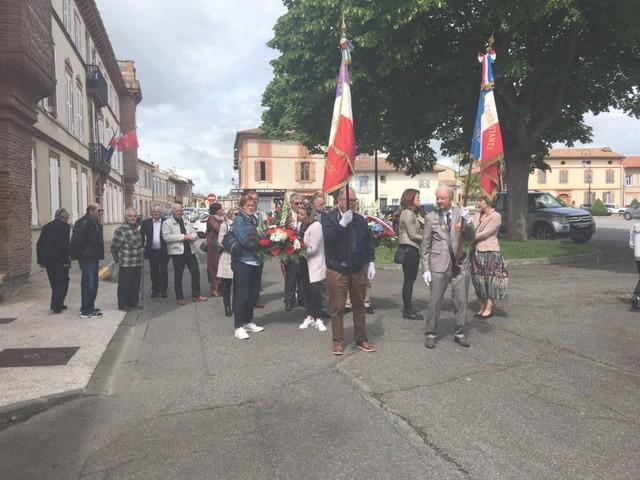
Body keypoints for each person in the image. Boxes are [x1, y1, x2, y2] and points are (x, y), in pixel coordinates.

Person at [323, 187, 376, 355]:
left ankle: (361, 338)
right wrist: (341, 224)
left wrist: (371, 261)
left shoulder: (360, 219)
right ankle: (338, 341)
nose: (352, 203)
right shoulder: (329, 218)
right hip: (337, 268)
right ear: (340, 200)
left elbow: (368, 242)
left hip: (357, 268)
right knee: (337, 307)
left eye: (354, 200)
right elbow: (327, 240)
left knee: (359, 305)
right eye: (349, 200)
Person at [422, 185, 475, 349]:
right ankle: (431, 333)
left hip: (460, 263)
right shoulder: (431, 217)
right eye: (437, 198)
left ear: (450, 198)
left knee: (461, 300)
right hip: (439, 264)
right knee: (435, 300)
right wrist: (426, 269)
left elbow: (471, 238)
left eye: (442, 198)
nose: (439, 201)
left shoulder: (461, 214)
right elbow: (425, 245)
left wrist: (469, 221)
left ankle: (460, 333)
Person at [231, 195, 265, 339]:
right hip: (242, 262)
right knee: (242, 294)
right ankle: (238, 326)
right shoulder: (240, 220)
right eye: (248, 205)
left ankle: (248, 321)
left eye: (253, 205)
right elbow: (245, 241)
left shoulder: (253, 219)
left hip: (254, 261)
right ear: (242, 207)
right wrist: (263, 241)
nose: (251, 207)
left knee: (252, 294)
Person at [162, 203, 207, 305]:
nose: (179, 212)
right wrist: (183, 237)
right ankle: (180, 297)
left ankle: (196, 295)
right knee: (179, 275)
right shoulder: (167, 223)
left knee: (196, 272)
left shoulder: (186, 221)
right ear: (173, 212)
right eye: (177, 211)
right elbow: (167, 237)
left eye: (180, 210)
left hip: (190, 251)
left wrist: (193, 236)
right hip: (177, 253)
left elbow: (194, 232)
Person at [470, 196, 508, 318]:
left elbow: (487, 232)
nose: (479, 203)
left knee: (490, 281)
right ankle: (482, 307)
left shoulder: (496, 216)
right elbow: (471, 228)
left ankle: (489, 308)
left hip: (490, 251)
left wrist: (471, 236)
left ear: (488, 203)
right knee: (478, 281)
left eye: (481, 201)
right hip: (476, 251)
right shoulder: (477, 215)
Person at [70, 203, 105, 318]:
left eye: (102, 211)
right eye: (99, 211)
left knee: (93, 283)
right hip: (87, 257)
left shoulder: (95, 223)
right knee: (88, 283)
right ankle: (86, 310)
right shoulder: (83, 223)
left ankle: (90, 307)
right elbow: (76, 240)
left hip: (93, 257)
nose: (101, 213)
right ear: (91, 210)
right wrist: (74, 255)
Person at [297, 204, 327, 331]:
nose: (299, 217)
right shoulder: (300, 225)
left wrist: (297, 250)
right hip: (303, 261)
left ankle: (319, 318)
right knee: (306, 291)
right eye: (299, 213)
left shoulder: (316, 226)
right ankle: (310, 315)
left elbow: (313, 248)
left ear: (309, 215)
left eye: (302, 214)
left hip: (314, 262)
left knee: (315, 291)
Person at [36, 208, 71, 313]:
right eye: (67, 218)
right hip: (61, 260)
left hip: (48, 260)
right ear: (63, 217)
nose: (68, 221)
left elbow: (39, 244)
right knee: (63, 282)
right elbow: (65, 244)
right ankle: (56, 305)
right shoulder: (64, 227)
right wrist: (69, 256)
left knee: (54, 282)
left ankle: (58, 303)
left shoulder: (46, 227)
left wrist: (40, 260)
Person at [111, 208, 144, 312]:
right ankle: (123, 304)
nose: (133, 218)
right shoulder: (121, 230)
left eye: (134, 216)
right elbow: (114, 247)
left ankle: (133, 302)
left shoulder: (136, 229)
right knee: (125, 285)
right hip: (126, 262)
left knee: (135, 284)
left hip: (137, 261)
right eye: (130, 216)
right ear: (125, 217)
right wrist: (117, 258)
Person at [398, 188, 424, 320]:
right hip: (410, 249)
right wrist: (428, 237)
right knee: (409, 281)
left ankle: (408, 309)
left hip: (411, 249)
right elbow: (413, 235)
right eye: (417, 197)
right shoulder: (408, 213)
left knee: (409, 281)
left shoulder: (410, 213)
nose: (420, 199)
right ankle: (408, 311)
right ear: (410, 199)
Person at [140, 205, 169, 298]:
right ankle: (155, 289)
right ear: (151, 213)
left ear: (161, 213)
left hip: (164, 250)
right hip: (152, 251)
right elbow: (141, 236)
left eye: (157, 212)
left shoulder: (166, 222)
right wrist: (142, 246)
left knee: (163, 270)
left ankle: (163, 289)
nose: (155, 214)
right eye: (154, 212)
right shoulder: (145, 223)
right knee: (154, 271)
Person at [284, 193, 305, 311]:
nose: (299, 205)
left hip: (302, 249)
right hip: (290, 250)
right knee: (291, 276)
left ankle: (302, 298)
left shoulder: (304, 214)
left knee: (302, 275)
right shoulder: (286, 215)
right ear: (291, 203)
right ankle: (289, 300)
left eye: (301, 203)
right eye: (297, 203)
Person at [217, 207, 238, 317]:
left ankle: (235, 306)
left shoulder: (240, 225)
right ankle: (227, 307)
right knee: (226, 285)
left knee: (237, 285)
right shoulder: (224, 225)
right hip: (227, 257)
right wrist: (232, 246)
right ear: (230, 215)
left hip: (238, 258)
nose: (237, 216)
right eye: (235, 214)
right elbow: (220, 241)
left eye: (239, 214)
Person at [248, 191, 266, 308]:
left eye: (256, 199)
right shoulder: (244, 214)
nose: (254, 201)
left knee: (258, 274)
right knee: (248, 275)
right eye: (252, 199)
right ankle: (248, 299)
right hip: (248, 248)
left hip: (260, 247)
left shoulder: (261, 214)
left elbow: (265, 228)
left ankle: (256, 298)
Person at [206, 203, 225, 297]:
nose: (222, 210)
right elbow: (218, 229)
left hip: (221, 244)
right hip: (214, 245)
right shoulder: (211, 218)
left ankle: (220, 286)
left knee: (221, 265)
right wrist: (223, 221)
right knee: (214, 265)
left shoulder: (221, 218)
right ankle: (214, 287)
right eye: (220, 209)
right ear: (216, 210)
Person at [629, 222, 640, 310]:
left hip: (638, 255)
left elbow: (631, 243)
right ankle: (637, 298)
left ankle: (636, 297)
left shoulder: (635, 226)